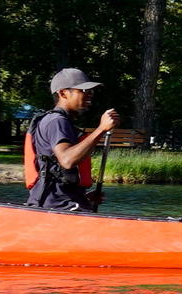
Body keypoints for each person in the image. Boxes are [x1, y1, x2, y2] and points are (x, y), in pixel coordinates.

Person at [25, 68, 119, 211]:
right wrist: (101, 129)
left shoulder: (61, 121)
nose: (89, 95)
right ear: (63, 93)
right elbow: (67, 160)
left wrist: (83, 196)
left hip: (61, 202)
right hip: (57, 206)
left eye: (91, 91)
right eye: (83, 90)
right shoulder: (56, 121)